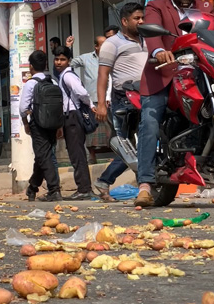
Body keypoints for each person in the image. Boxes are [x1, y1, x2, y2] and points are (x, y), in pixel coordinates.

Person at [135, 0, 214, 207]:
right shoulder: (156, 5)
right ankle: (145, 183)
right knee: (150, 120)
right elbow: (152, 34)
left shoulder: (205, 4)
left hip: (200, 71)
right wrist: (158, 51)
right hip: (165, 70)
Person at [94, 2, 147, 201]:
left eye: (142, 18)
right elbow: (103, 75)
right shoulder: (112, 43)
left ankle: (105, 182)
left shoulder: (148, 40)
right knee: (126, 147)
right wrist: (101, 103)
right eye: (136, 18)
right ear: (124, 21)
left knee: (144, 145)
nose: (141, 21)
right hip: (123, 101)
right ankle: (140, 184)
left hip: (146, 98)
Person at [54, 45, 97, 200]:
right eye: (57, 59)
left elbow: (82, 93)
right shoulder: (63, 76)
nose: (59, 62)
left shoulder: (68, 76)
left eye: (63, 59)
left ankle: (84, 189)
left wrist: (89, 104)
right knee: (75, 154)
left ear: (69, 61)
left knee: (77, 154)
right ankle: (83, 188)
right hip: (70, 117)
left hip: (73, 117)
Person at [20, 50, 62, 202]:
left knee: (43, 156)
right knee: (43, 156)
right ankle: (32, 188)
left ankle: (54, 189)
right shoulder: (53, 82)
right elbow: (60, 106)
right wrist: (59, 126)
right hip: (52, 124)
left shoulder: (31, 83)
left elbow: (23, 108)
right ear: (45, 65)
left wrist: (26, 123)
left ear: (31, 66)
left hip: (38, 124)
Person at [66, 35, 112, 164]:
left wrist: (109, 96)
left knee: (110, 129)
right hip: (91, 100)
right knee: (91, 128)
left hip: (108, 100)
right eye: (102, 45)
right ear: (96, 46)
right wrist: (69, 48)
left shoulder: (111, 58)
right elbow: (70, 64)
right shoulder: (86, 58)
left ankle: (114, 155)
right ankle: (92, 156)